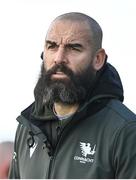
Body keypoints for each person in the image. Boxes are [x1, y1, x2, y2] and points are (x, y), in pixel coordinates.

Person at [9, 12, 136, 179]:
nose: (59, 58)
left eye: (74, 48)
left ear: (98, 59)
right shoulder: (28, 125)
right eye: (52, 46)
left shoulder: (125, 131)